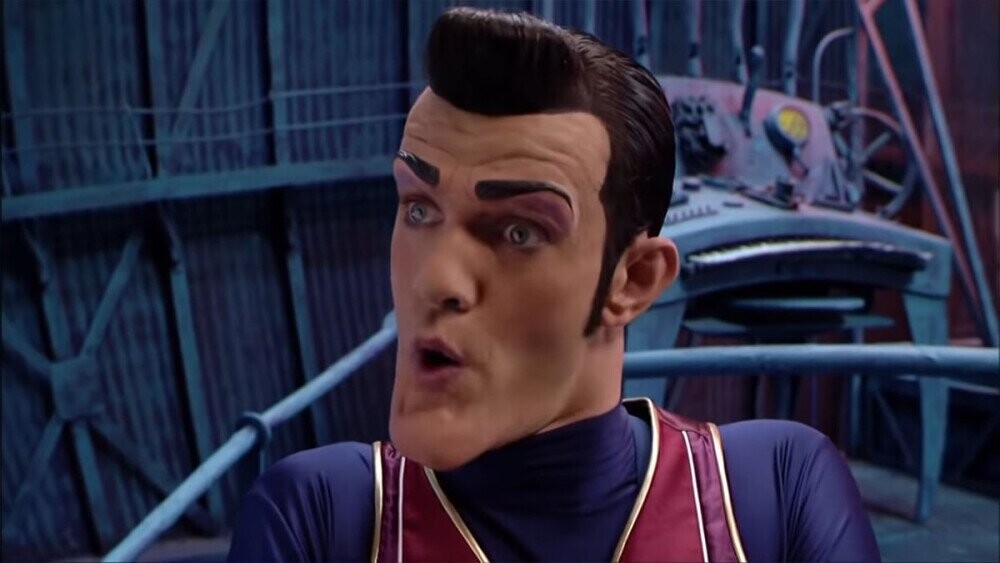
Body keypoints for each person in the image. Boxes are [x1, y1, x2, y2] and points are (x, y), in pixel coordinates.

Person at [228, 8, 879, 562]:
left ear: (633, 279)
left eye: (519, 232)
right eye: (419, 209)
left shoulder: (773, 492)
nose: (436, 278)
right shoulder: (320, 516)